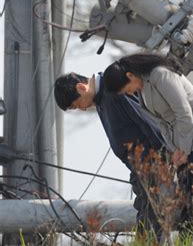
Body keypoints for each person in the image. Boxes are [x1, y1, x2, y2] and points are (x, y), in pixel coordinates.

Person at [103, 54, 193, 234]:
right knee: (185, 194)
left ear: (130, 76)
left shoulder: (160, 75)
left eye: (126, 90)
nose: (128, 94)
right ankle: (188, 240)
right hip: (184, 141)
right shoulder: (142, 88)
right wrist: (174, 149)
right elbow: (161, 122)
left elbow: (184, 113)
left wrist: (182, 149)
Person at [54, 72, 168, 237]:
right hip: (140, 167)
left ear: (81, 87)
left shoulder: (112, 90)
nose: (82, 108)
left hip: (151, 162)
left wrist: (162, 158)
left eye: (77, 104)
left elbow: (147, 122)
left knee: (153, 213)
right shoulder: (102, 99)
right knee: (145, 212)